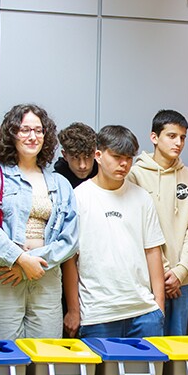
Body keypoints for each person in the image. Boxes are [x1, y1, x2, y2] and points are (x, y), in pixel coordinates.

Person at [0, 104, 78, 340]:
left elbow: (70, 239)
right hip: (2, 273)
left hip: (46, 277)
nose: (33, 136)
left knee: (45, 359)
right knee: (3, 361)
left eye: (39, 131)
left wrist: (34, 266)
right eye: (25, 129)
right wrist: (20, 260)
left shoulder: (60, 183)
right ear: (12, 134)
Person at [68, 125, 166, 338]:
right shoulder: (78, 197)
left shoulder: (142, 198)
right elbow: (70, 260)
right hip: (98, 314)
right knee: (103, 373)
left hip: (144, 313)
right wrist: (74, 310)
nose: (124, 164)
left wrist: (159, 306)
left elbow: (153, 251)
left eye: (129, 158)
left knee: (147, 372)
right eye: (117, 156)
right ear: (98, 155)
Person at [127, 109, 188, 335]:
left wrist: (179, 272)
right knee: (151, 346)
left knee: (178, 347)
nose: (178, 143)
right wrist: (164, 272)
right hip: (148, 279)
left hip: (182, 280)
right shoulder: (134, 174)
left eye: (182, 137)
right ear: (154, 137)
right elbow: (137, 230)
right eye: (171, 136)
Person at [54, 122, 99, 190]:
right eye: (75, 157)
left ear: (95, 153)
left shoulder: (106, 176)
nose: (82, 166)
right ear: (64, 155)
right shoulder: (55, 182)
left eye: (87, 156)